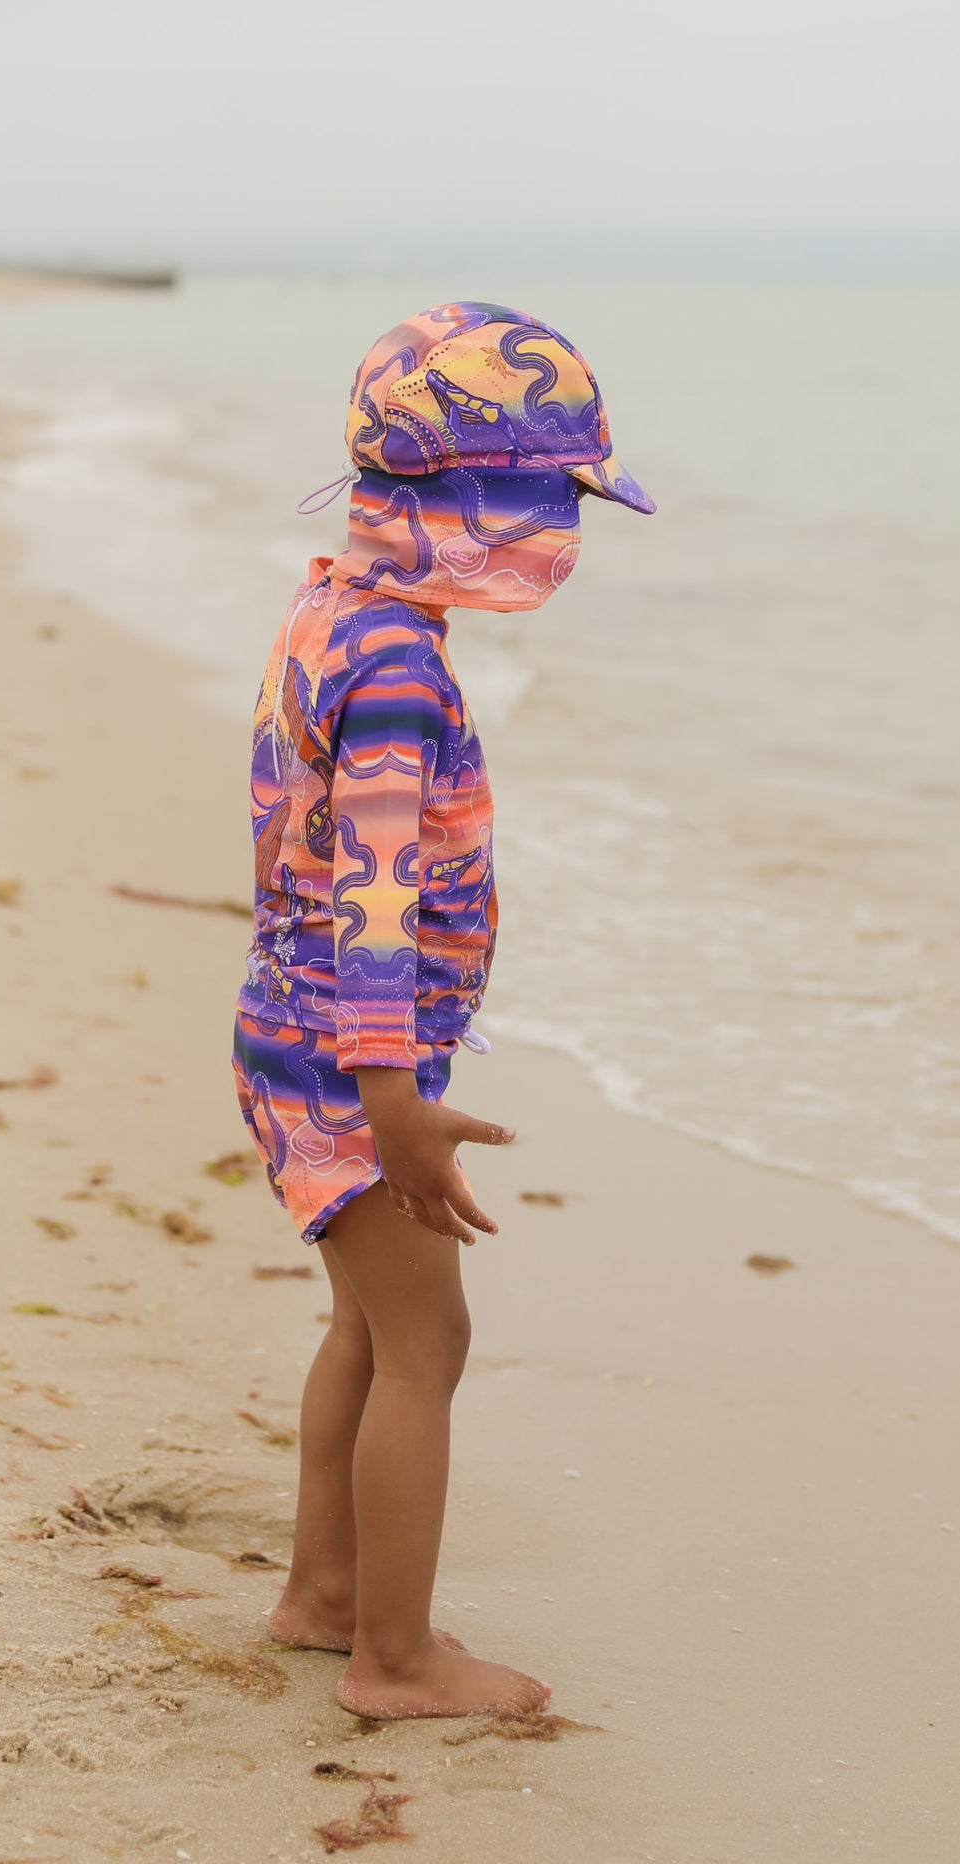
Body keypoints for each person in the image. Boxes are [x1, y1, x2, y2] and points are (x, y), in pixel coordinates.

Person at [231, 301, 655, 1718]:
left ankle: (324, 1596)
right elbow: (375, 906)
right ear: (477, 503)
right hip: (352, 1059)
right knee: (428, 1344)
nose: (560, 534)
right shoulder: (405, 671)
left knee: (364, 1324)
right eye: (547, 500)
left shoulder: (337, 609)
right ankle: (394, 1661)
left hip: (284, 1032)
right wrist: (396, 1103)